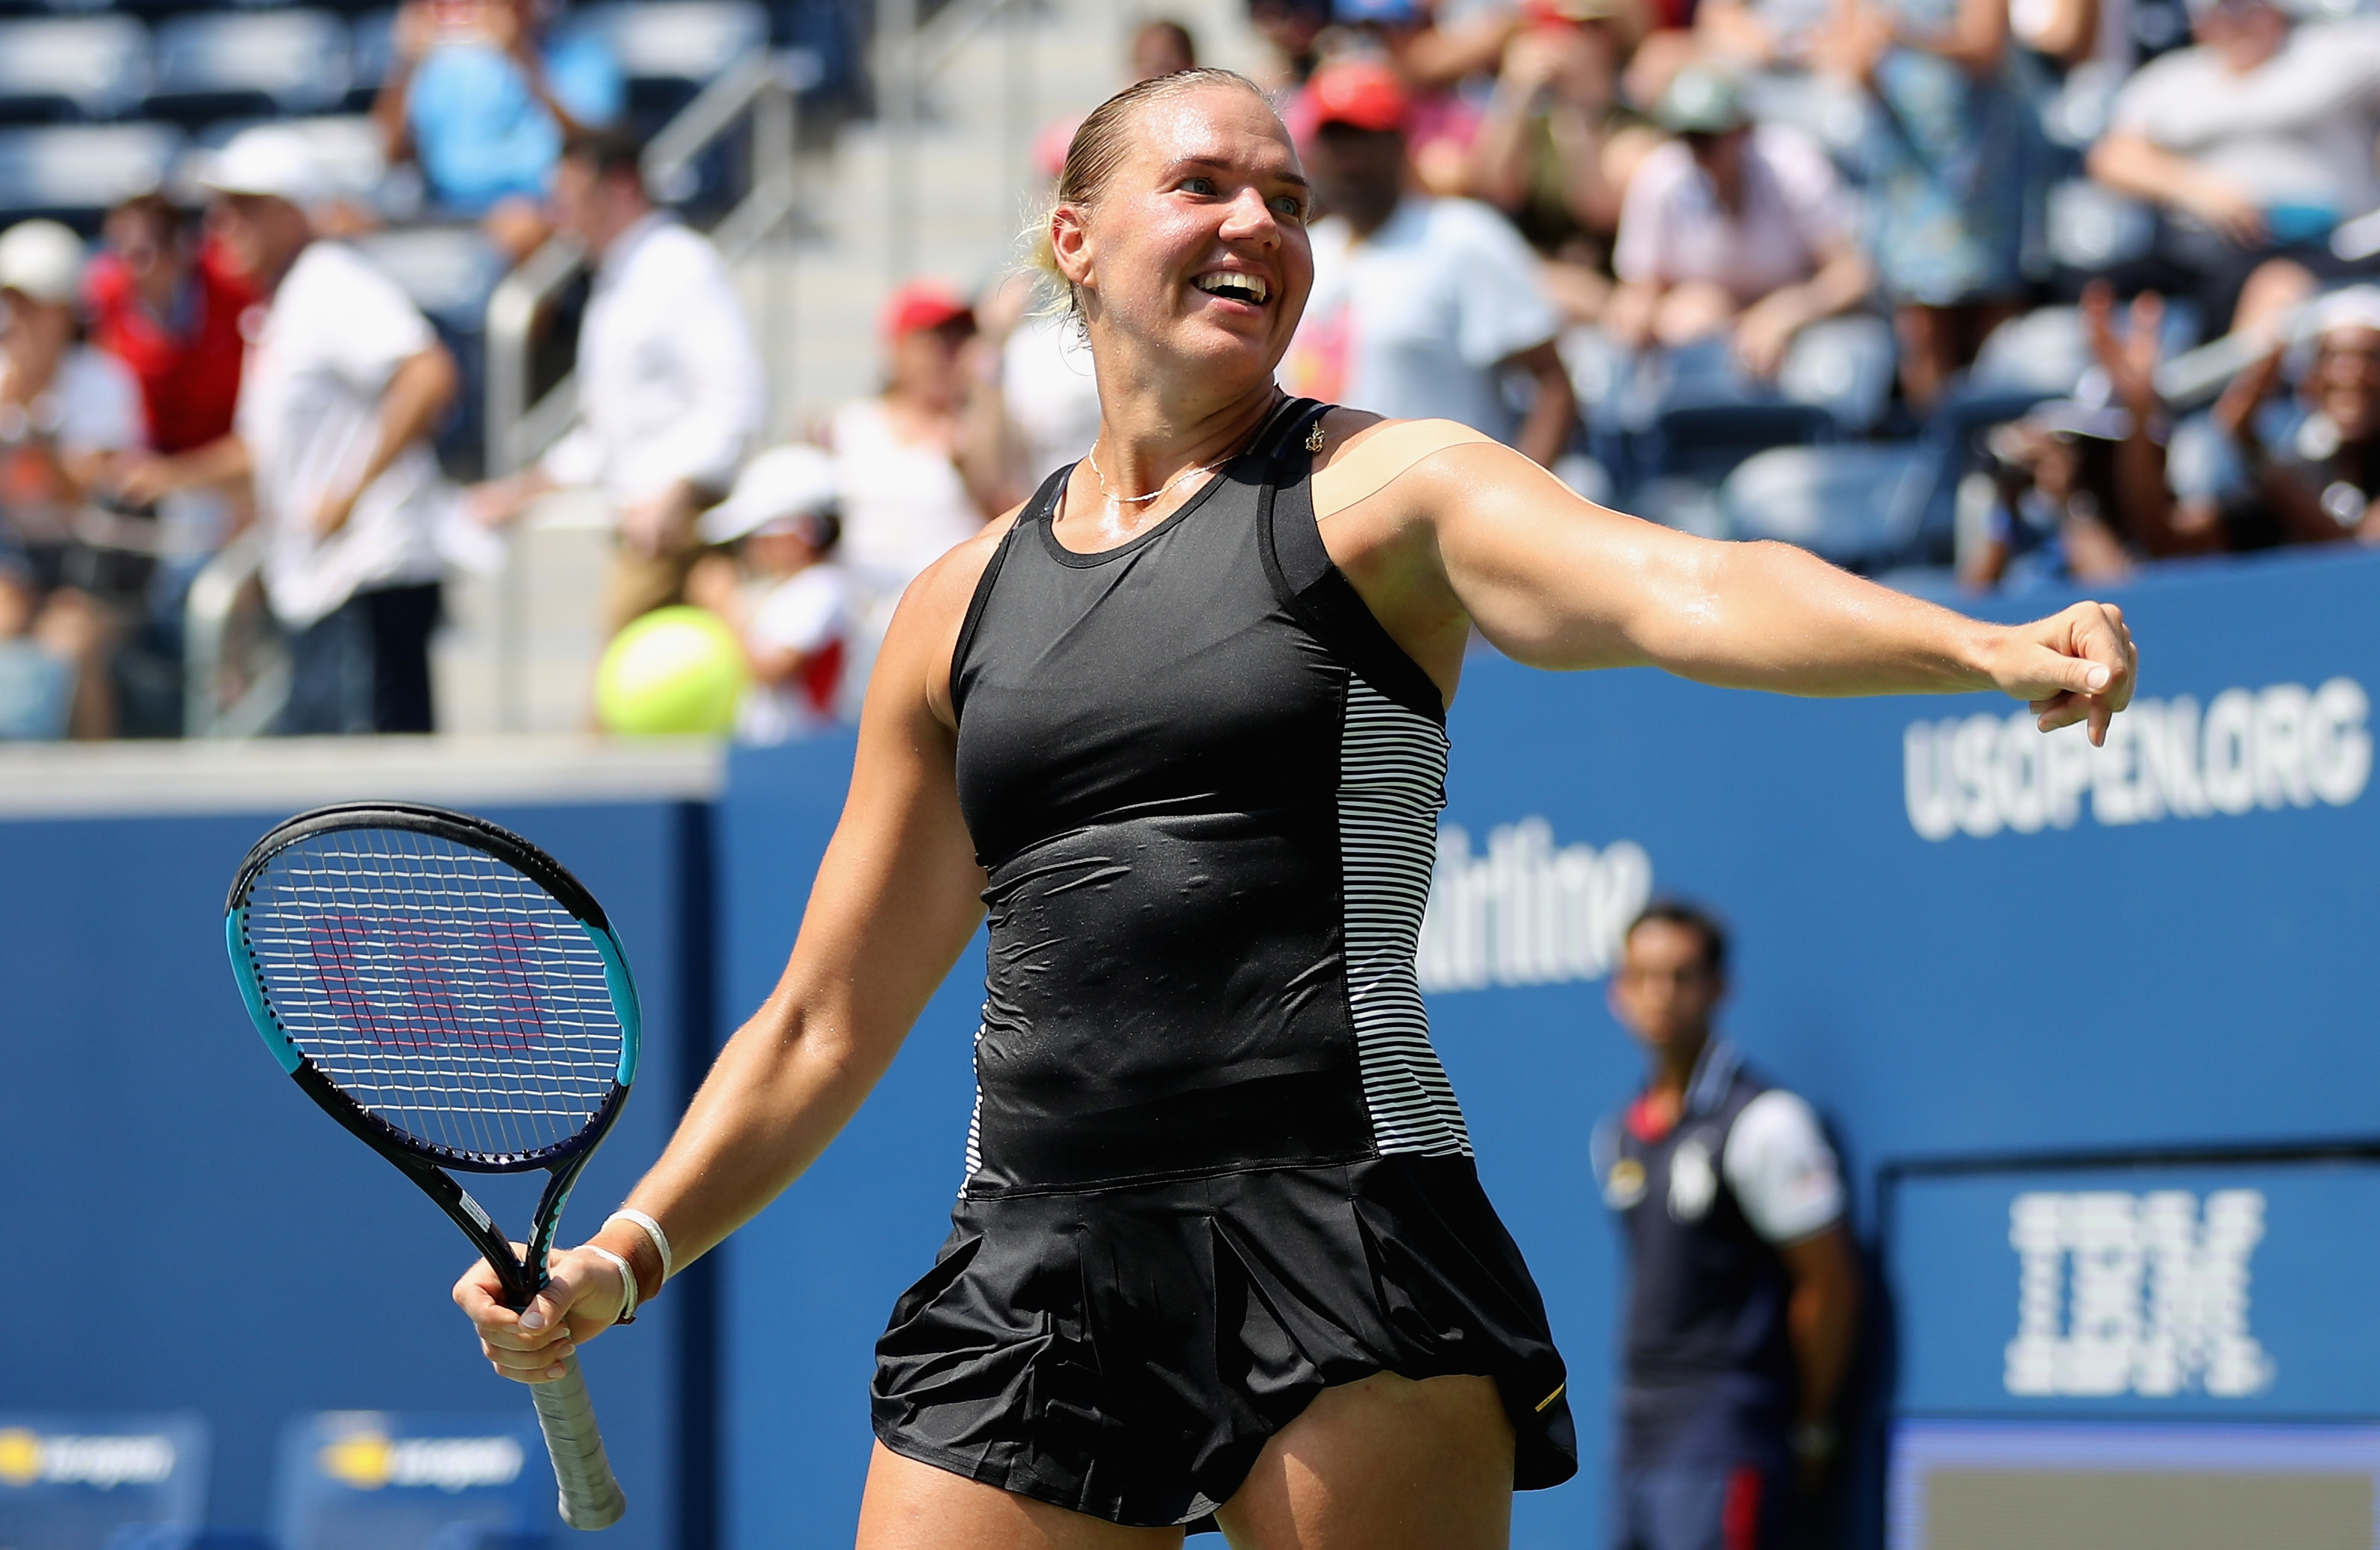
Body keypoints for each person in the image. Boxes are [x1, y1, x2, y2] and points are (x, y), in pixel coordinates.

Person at [451, 68, 2135, 1550]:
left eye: (1286, 197)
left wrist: (1969, 644)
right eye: (1201, 185)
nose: (1256, 220)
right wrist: (625, 1255)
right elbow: (824, 1018)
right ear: (1075, 241)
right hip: (1030, 1250)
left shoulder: (1389, 492)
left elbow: (1679, 586)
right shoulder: (949, 609)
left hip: (1339, 1219)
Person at [143, 127, 461, 736]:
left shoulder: (330, 282)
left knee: (363, 806)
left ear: (293, 213)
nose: (224, 223)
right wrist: (167, 479)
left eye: (246, 206)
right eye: (220, 208)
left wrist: (346, 492)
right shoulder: (288, 302)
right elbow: (264, 452)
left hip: (365, 583)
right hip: (329, 588)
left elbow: (428, 374)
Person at [1598, 901, 1860, 1550]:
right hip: (1635, 1438)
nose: (1661, 995)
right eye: (1644, 975)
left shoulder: (1766, 1123)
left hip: (1722, 1438)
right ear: (1618, 992)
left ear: (1719, 988)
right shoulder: (1616, 1136)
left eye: (1681, 975)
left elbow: (1828, 1285)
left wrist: (1810, 1425)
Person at [468, 128, 766, 634]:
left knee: (619, 708)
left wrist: (675, 493)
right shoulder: (620, 282)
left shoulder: (678, 266)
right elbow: (611, 432)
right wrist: (524, 490)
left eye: (573, 200)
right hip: (646, 532)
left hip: (674, 537)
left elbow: (737, 400)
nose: (562, 220)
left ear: (624, 186)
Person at [1285, 58, 1580, 468]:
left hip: (1444, 515)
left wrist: (1512, 506)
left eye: (1362, 139)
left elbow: (1553, 386)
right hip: (1323, 513)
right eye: (1334, 141)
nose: (1347, 159)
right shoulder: (1307, 250)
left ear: (1399, 143)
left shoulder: (1461, 237)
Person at [2087, 0, 2380, 337]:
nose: (2236, 19)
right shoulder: (2168, 82)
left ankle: (2241, 390)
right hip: (2202, 256)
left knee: (2272, 285)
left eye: (2246, 7)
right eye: (2222, 9)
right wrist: (2201, 190)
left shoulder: (2334, 54)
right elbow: (2112, 158)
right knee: (2097, 292)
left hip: (2325, 246)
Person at [1820, 0, 2028, 407]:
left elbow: (1986, 48)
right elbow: (1848, 61)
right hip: (1905, 161)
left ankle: (1999, 437)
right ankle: (1934, 441)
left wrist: (1909, 37)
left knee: (1991, 312)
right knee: (1920, 319)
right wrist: (1863, 60)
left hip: (1977, 161)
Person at [1605, 66, 1873, 377]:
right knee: (1687, 321)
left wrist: (1784, 314)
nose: (1698, 152)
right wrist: (1635, 317)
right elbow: (1642, 286)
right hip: (1707, 324)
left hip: (1798, 326)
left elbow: (1852, 275)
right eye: (1687, 138)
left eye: (1708, 137)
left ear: (1743, 131)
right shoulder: (1660, 177)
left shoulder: (1792, 166)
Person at [372, 0, 625, 262]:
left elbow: (592, 145)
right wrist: (408, 62)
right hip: (449, 214)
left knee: (520, 229)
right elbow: (392, 153)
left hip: (546, 211)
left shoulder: (584, 54)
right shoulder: (451, 64)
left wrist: (520, 56)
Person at [823, 281, 1003, 642]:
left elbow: (1009, 518)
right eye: (935, 343)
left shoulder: (980, 431)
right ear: (899, 349)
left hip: (948, 629)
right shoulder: (849, 427)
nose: (948, 356)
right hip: (857, 629)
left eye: (958, 342)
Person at [1, 219, 146, 580]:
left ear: (65, 312)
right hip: (11, 553)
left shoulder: (104, 382)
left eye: (31, 307)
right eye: (11, 305)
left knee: (70, 630)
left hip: (89, 560)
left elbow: (78, 498)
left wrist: (28, 414)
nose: (16, 321)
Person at [686, 443, 854, 743]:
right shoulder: (784, 591)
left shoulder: (823, 588)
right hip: (773, 753)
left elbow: (770, 668)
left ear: (801, 534)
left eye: (759, 535)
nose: (751, 548)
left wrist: (725, 605)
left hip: (800, 757)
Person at [84, 194, 252, 462]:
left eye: (141, 254)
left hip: (230, 454)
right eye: (119, 252)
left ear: (179, 251)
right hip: (152, 459)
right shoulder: (106, 295)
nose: (130, 270)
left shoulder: (234, 288)